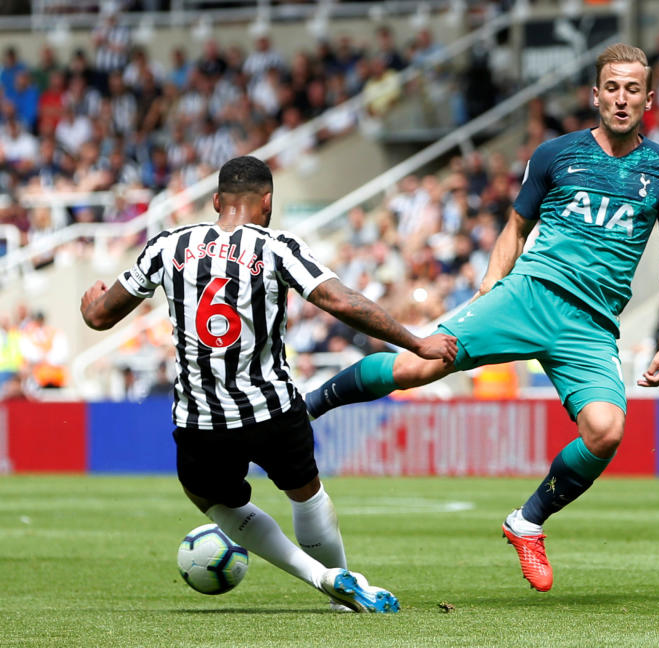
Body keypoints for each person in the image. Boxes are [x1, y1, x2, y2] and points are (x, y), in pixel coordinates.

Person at [305, 43, 659, 592]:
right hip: (527, 294)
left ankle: (527, 522)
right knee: (420, 365)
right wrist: (492, 285)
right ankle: (306, 408)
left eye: (633, 89)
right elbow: (516, 226)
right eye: (612, 87)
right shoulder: (557, 155)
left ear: (649, 98)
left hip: (591, 325)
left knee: (606, 432)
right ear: (595, 95)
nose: (622, 98)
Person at [80, 156, 457, 612]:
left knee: (209, 498)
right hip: (272, 411)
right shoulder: (277, 246)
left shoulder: (167, 246)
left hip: (201, 419)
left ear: (217, 201)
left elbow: (99, 317)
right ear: (268, 202)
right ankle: (339, 588)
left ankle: (320, 578)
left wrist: (90, 304)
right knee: (306, 492)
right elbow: (339, 300)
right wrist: (415, 341)